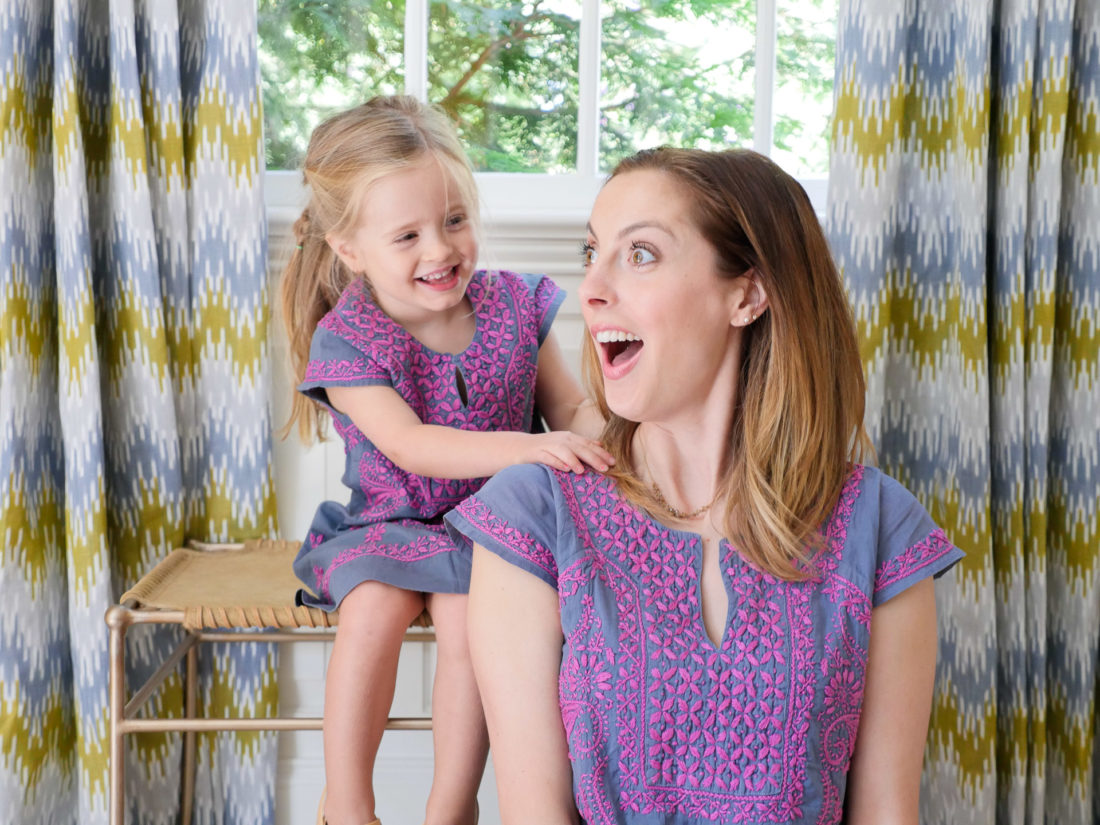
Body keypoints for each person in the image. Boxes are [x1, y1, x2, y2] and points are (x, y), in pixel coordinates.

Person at [446, 147, 964, 825]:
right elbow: (533, 811)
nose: (593, 288)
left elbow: (887, 814)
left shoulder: (878, 525)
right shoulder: (536, 512)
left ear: (747, 293)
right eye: (592, 252)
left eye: (640, 255)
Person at [279, 95, 613, 825]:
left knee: (472, 623)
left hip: (491, 531)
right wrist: (530, 447)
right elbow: (409, 445)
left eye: (454, 220)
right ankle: (348, 805)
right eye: (408, 235)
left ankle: (450, 807)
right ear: (349, 250)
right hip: (386, 523)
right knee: (370, 612)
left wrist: (609, 434)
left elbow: (571, 408)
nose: (440, 249)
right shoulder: (350, 338)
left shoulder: (516, 307)